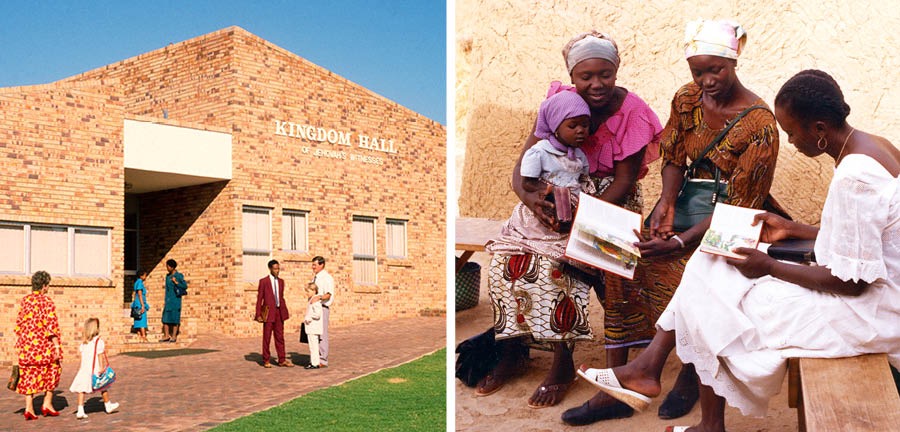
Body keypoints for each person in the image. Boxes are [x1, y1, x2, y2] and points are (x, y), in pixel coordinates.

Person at [579, 69, 900, 432]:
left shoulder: (855, 177)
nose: (791, 142)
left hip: (871, 311)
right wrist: (794, 229)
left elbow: (851, 282)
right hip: (873, 292)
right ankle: (651, 371)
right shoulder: (875, 145)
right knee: (710, 258)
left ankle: (665, 385)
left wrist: (767, 266)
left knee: (715, 299)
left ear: (821, 130)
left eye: (793, 132)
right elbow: (872, 235)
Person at [562, 19, 784, 424]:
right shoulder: (687, 99)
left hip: (727, 219)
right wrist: (665, 204)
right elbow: (674, 158)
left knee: (685, 269)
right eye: (697, 71)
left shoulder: (759, 125)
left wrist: (682, 241)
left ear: (734, 61)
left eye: (715, 69)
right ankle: (618, 381)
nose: (706, 81)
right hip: (680, 204)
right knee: (617, 252)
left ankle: (688, 373)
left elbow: (741, 209)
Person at [478, 30, 663, 411]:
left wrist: (580, 218)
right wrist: (532, 200)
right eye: (586, 76)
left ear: (617, 70)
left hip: (610, 205)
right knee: (504, 264)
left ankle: (562, 364)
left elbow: (625, 181)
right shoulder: (561, 102)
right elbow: (524, 163)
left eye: (605, 74)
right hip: (554, 203)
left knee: (561, 268)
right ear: (572, 75)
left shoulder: (633, 113)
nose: (596, 84)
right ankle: (513, 349)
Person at [487, 90, 592, 259]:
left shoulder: (579, 155)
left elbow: (583, 180)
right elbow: (527, 183)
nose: (580, 131)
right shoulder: (540, 152)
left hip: (569, 213)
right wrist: (551, 190)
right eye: (572, 126)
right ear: (555, 126)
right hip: (542, 210)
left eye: (585, 125)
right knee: (542, 252)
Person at [15, 270, 62, 420]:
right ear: (44, 286)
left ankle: (29, 408)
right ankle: (47, 403)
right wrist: (56, 346)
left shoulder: (25, 300)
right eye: (47, 285)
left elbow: (19, 324)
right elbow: (51, 326)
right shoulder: (47, 302)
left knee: (29, 374)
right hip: (43, 346)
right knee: (53, 370)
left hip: (27, 346)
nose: (48, 288)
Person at [69, 317, 119, 419]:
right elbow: (100, 355)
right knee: (103, 387)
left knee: (81, 390)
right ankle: (108, 405)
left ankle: (80, 410)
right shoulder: (98, 341)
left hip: (84, 369)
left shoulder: (84, 343)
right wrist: (101, 367)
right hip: (94, 368)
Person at [256, 259, 293, 367]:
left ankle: (282, 360)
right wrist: (258, 314)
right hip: (268, 313)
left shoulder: (281, 282)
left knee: (280, 337)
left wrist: (284, 311)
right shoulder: (264, 281)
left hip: (279, 312)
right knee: (267, 337)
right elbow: (259, 299)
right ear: (270, 269)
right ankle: (266, 360)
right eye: (275, 269)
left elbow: (281, 297)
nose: (277, 271)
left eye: (278, 268)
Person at [311, 256, 334, 368]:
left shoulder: (327, 278)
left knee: (322, 334)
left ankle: (323, 359)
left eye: (315, 265)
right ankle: (316, 357)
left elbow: (328, 294)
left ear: (322, 265)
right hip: (314, 308)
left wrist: (319, 298)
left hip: (322, 308)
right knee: (315, 333)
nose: (313, 267)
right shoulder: (315, 278)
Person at [160, 259, 187, 343]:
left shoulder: (179, 275)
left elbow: (185, 286)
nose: (167, 268)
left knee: (175, 318)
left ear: (172, 267)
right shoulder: (167, 276)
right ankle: (166, 336)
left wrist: (176, 282)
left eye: (168, 266)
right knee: (165, 318)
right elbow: (167, 289)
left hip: (176, 300)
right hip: (168, 300)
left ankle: (174, 336)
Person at [303, 282, 324, 369]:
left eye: (308, 291)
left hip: (313, 327)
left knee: (313, 346)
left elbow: (317, 314)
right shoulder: (311, 300)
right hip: (311, 327)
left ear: (314, 291)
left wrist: (309, 317)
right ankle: (314, 361)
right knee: (313, 345)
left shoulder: (315, 302)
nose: (307, 293)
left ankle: (314, 363)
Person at [132, 270, 149, 342]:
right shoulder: (139, 283)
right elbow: (139, 294)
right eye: (145, 275)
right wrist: (142, 305)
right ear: (141, 276)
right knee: (142, 319)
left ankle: (139, 334)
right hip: (140, 303)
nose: (145, 277)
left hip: (137, 303)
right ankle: (143, 335)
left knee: (138, 318)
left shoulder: (137, 282)